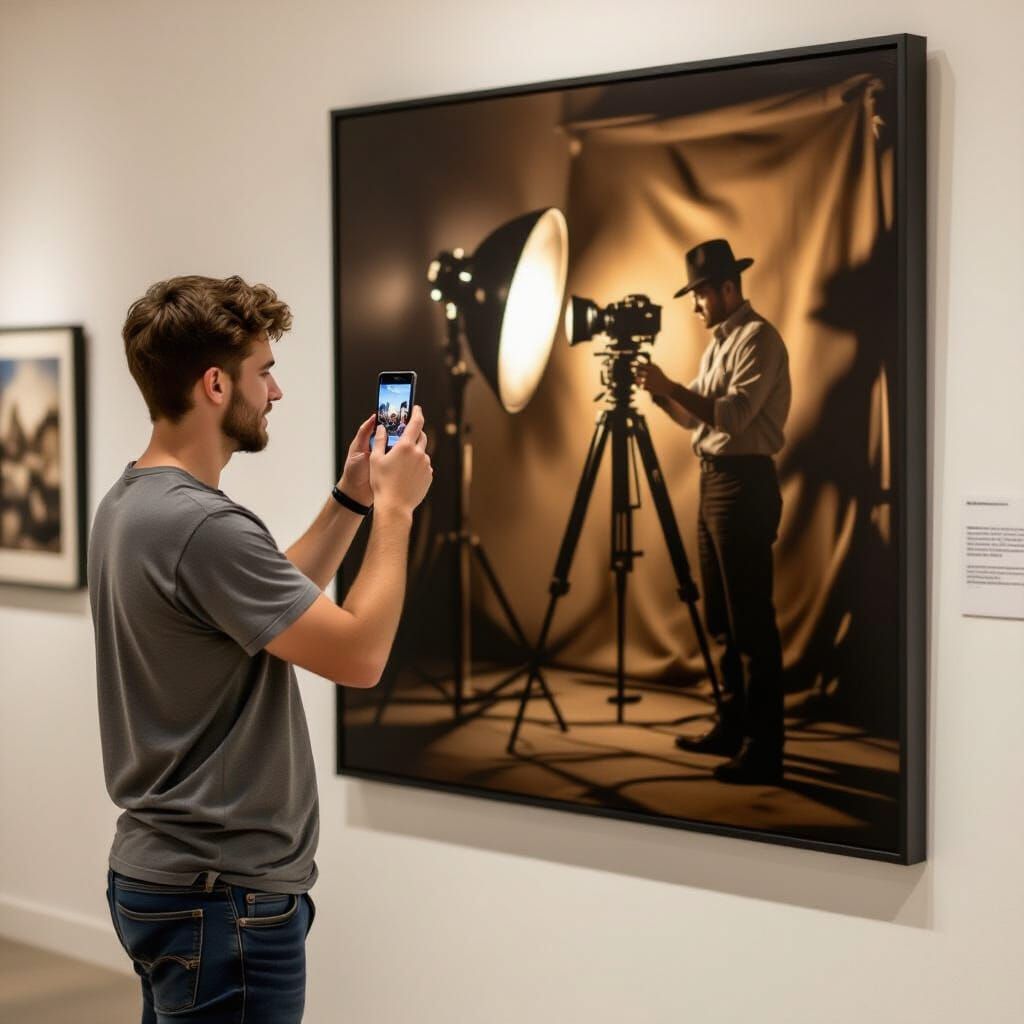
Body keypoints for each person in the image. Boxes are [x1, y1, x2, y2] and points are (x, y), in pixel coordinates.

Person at [88, 274, 433, 1022]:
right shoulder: (202, 525)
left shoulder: (132, 503)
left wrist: (353, 501)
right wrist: (398, 512)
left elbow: (267, 608)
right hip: (224, 898)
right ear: (216, 384)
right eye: (263, 371)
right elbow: (359, 655)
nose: (274, 392)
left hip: (167, 880)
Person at [636, 239, 791, 784]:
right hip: (715, 485)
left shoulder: (759, 340)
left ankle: (764, 747)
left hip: (744, 485)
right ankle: (732, 725)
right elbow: (694, 419)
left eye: (700, 294)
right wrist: (659, 394)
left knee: (750, 620)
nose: (695, 305)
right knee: (722, 620)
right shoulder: (719, 343)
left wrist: (670, 386)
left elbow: (734, 417)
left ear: (729, 288)